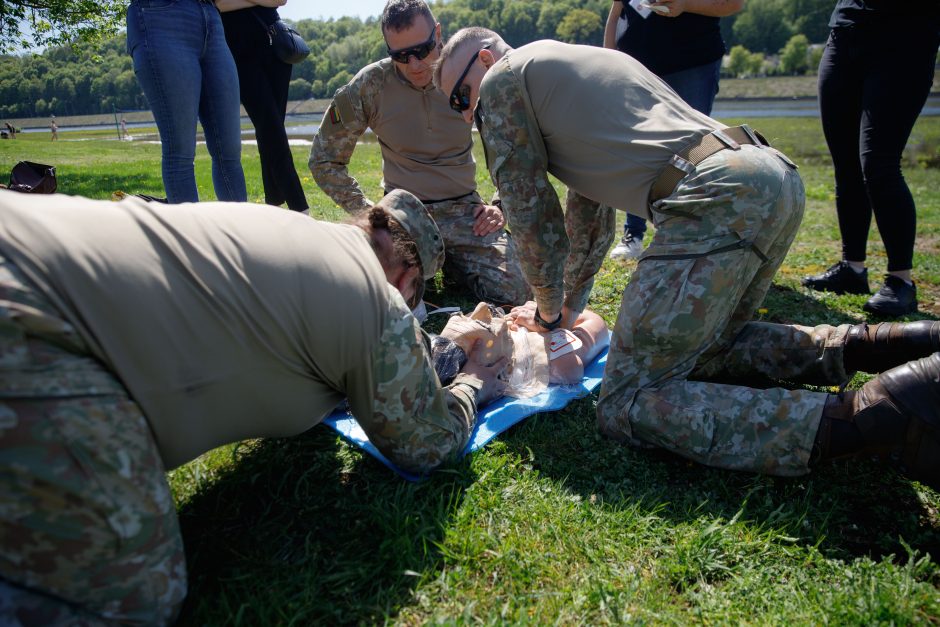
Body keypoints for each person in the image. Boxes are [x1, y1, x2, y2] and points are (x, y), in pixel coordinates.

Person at [433, 28, 940, 488]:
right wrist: (565, 310)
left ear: (484, 59)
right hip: (767, 176)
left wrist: (545, 310)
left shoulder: (502, 82)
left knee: (626, 402)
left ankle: (873, 416)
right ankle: (890, 347)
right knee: (709, 347)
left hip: (714, 198)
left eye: (460, 97)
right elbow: (588, 222)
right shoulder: (569, 67)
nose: (464, 115)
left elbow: (529, 216)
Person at [0, 188, 505, 623]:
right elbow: (425, 444)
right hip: (33, 328)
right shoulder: (377, 299)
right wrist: (473, 382)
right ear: (407, 278)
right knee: (128, 597)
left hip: (22, 233)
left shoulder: (294, 229)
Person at [309, 0, 530, 308]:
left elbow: (516, 144)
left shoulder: (468, 73)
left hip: (465, 212)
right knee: (382, 297)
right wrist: (371, 212)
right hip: (403, 217)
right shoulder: (370, 86)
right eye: (400, 55)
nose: (414, 64)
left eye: (423, 50)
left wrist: (499, 204)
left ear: (438, 33)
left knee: (519, 291)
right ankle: (441, 265)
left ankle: (452, 262)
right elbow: (324, 159)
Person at [801, 1, 940, 316]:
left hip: (905, 39)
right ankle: (853, 269)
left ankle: (901, 282)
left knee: (879, 164)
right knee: (846, 165)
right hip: (845, 32)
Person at [604, 0, 744, 260]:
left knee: (691, 153)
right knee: (638, 149)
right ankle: (633, 233)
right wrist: (608, 62)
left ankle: (677, 235)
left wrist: (685, 4)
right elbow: (616, 13)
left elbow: (733, 4)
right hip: (635, 67)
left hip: (692, 63)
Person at [126, 0, 247, 204]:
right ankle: (188, 235)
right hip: (160, 15)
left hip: (211, 17)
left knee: (230, 151)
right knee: (180, 151)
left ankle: (239, 232)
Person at [218, 0, 310, 213]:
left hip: (274, 45)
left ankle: (274, 203)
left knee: (271, 130)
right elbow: (215, 5)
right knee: (270, 127)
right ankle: (300, 207)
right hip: (238, 51)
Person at [432, 301, 610, 397]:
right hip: (574, 330)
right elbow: (573, 370)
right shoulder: (535, 360)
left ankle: (549, 313)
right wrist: (548, 326)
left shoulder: (501, 343)